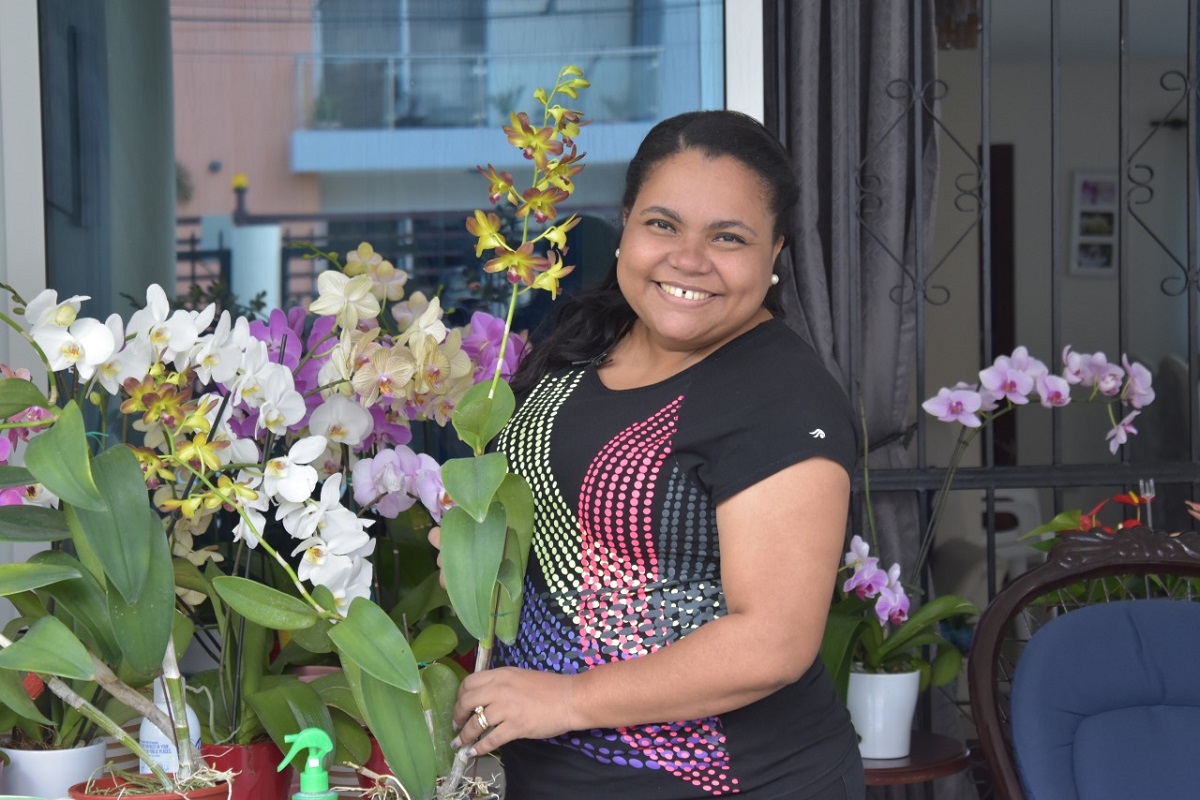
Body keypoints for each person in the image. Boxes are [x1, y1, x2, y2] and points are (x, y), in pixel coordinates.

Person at [434, 110, 864, 799]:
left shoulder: (782, 397)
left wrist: (568, 699)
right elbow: (559, 525)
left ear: (775, 253)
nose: (688, 259)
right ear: (626, 224)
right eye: (662, 225)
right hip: (545, 777)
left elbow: (773, 643)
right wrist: (476, 554)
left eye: (728, 237)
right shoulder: (587, 335)